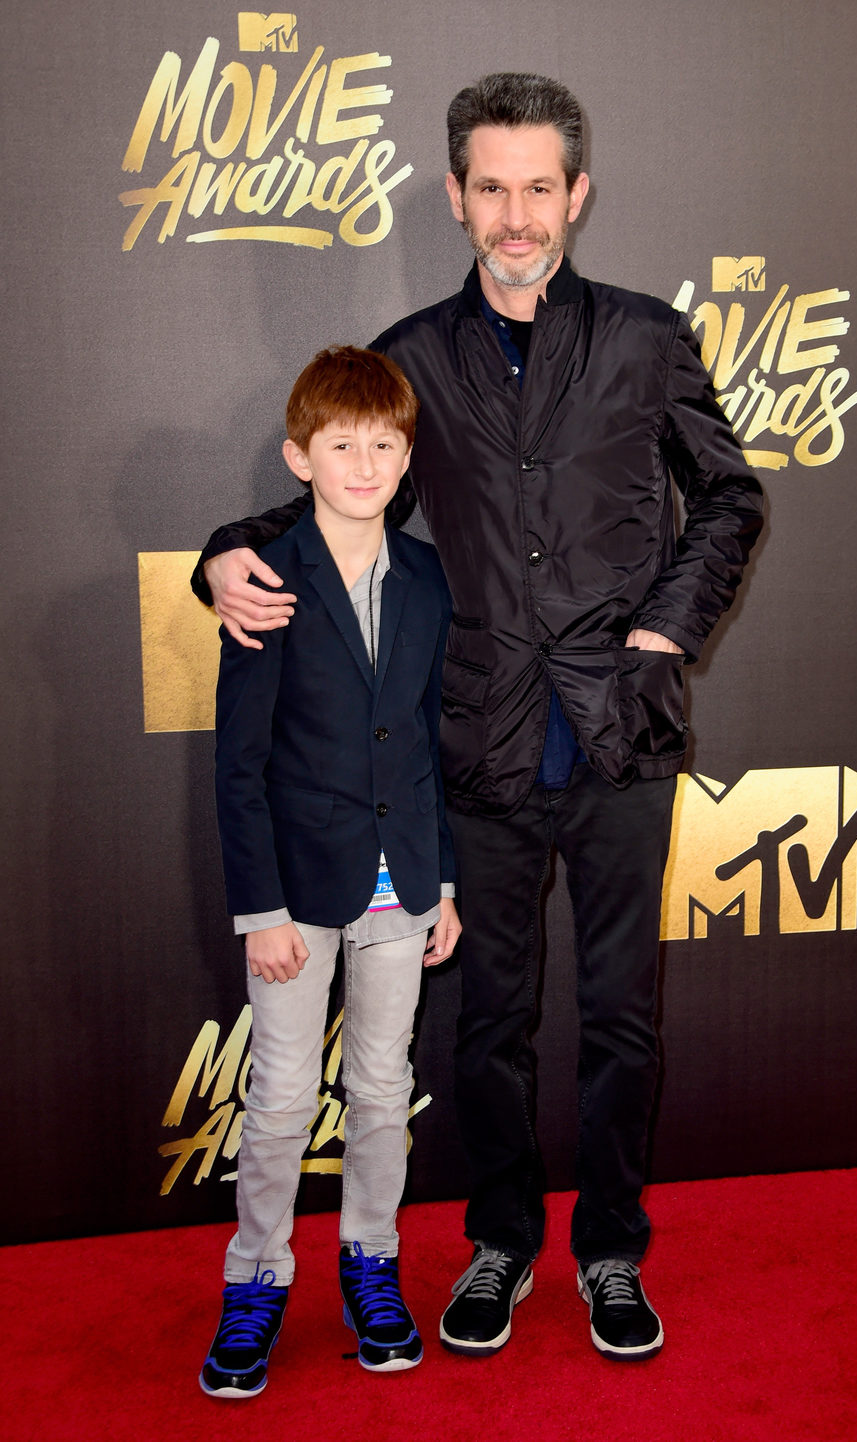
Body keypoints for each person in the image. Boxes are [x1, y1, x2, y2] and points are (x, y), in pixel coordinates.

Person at [194, 73, 763, 1363]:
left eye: (539, 187)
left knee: (622, 1016)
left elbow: (729, 498)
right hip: (478, 749)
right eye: (490, 188)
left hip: (621, 741)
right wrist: (220, 557)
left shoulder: (644, 336)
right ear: (455, 197)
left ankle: (610, 1249)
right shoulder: (408, 354)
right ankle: (499, 1241)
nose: (517, 215)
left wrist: (667, 626)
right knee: (489, 1019)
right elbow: (335, 495)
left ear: (578, 194)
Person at [200, 345, 460, 1397]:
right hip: (295, 897)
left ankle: (372, 1260)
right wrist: (260, 907)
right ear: (298, 455)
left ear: (408, 458)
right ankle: (255, 1276)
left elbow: (428, 742)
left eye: (385, 445)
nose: (365, 463)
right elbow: (240, 761)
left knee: (385, 1086)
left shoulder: (432, 578)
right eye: (342, 445)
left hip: (403, 882)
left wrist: (441, 880)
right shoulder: (265, 577)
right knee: (277, 1097)